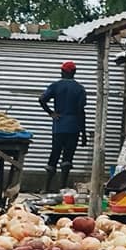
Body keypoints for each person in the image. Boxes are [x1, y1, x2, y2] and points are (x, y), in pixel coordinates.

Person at [39, 59, 88, 189]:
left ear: (62, 72)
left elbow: (42, 99)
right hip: (74, 127)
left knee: (54, 154)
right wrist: (83, 133)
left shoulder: (55, 86)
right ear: (74, 72)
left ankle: (46, 187)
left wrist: (51, 113)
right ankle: (62, 187)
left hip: (59, 126)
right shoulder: (80, 89)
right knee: (68, 158)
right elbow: (81, 112)